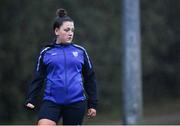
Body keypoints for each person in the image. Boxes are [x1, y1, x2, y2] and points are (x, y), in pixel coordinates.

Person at [25, 8, 98, 125]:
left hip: (76, 102)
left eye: (72, 30)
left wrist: (93, 104)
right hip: (52, 101)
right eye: (67, 30)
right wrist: (31, 98)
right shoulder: (46, 52)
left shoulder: (80, 51)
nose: (70, 33)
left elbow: (90, 78)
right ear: (56, 31)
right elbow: (38, 77)